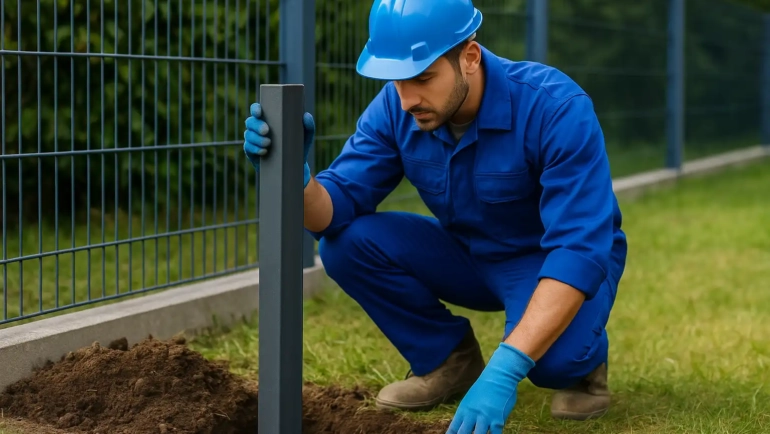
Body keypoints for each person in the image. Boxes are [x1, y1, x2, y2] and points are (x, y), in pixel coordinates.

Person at [243, 0, 628, 432]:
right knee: (346, 244)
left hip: (548, 261)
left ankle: (585, 369)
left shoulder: (555, 108)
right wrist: (294, 177)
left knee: (552, 363)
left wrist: (503, 371)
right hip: (468, 254)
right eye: (396, 81)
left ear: (469, 57)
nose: (407, 99)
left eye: (423, 78)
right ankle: (448, 360)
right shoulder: (396, 107)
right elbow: (329, 215)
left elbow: (578, 249)